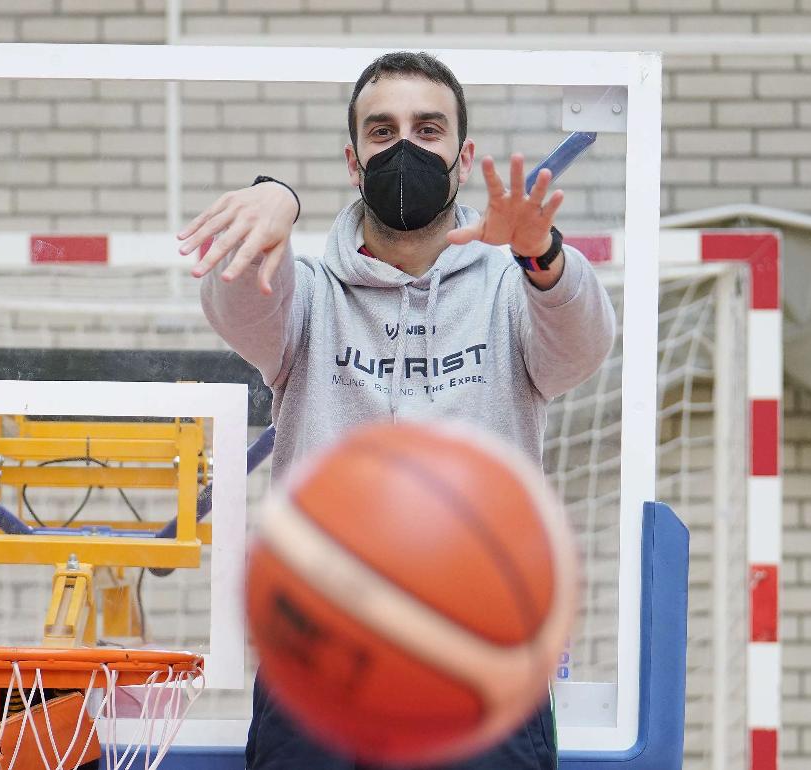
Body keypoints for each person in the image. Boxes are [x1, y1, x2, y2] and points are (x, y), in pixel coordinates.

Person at [180, 51, 616, 770]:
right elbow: (236, 304)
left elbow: (582, 349)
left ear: (462, 155)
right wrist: (276, 200)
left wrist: (542, 255)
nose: (404, 146)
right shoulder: (312, 295)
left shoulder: (511, 288)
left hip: (481, 643)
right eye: (382, 132)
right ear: (353, 161)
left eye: (428, 129)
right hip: (320, 645)